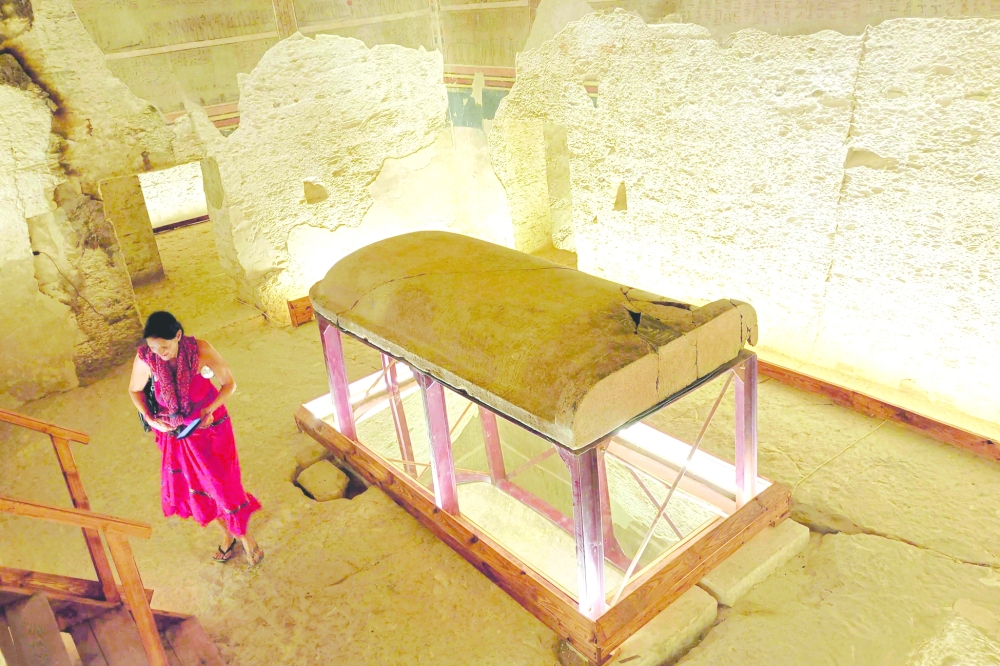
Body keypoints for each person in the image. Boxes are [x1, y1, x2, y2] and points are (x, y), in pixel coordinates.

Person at [128, 311, 263, 567]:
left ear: (178, 335)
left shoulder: (200, 350)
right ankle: (226, 535)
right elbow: (135, 390)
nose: (160, 353)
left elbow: (229, 384)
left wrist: (209, 409)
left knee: (223, 483)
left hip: (210, 428)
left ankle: (244, 536)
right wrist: (150, 417)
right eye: (154, 347)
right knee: (196, 486)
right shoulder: (146, 358)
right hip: (174, 433)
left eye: (165, 346)